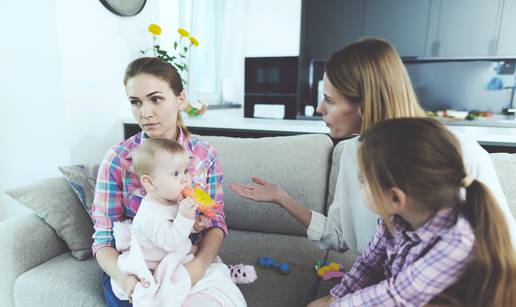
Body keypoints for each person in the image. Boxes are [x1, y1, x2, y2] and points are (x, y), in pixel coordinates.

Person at [230, 37, 516, 253]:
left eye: (329, 99)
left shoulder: (460, 152)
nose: (319, 108)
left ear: (365, 106)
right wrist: (282, 198)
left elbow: (503, 249)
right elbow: (341, 237)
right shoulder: (353, 153)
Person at [308, 118, 516, 306]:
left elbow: (396, 296)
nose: (357, 185)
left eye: (362, 181)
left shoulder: (457, 242)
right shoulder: (394, 217)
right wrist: (337, 296)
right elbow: (368, 264)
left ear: (396, 198)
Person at [92, 57, 236, 306]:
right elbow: (104, 239)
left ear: (180, 99)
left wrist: (198, 267)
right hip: (135, 268)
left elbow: (216, 222)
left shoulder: (204, 155)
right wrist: (129, 283)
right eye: (135, 102)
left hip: (186, 260)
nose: (145, 112)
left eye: (155, 99)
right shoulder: (117, 160)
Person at [110, 138, 245, 306]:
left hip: (174, 253)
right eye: (175, 174)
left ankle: (222, 275)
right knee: (173, 292)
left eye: (186, 171)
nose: (185, 180)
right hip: (156, 263)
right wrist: (185, 217)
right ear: (150, 183)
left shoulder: (170, 199)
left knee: (213, 266)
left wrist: (195, 225)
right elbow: (171, 242)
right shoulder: (149, 214)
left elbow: (178, 229)